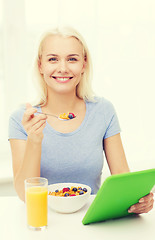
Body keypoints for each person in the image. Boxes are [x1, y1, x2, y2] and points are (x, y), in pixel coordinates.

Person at [9, 26, 154, 214]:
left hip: (94, 218)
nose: (62, 68)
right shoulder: (21, 119)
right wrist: (34, 139)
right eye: (53, 59)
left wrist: (138, 200)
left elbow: (122, 178)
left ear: (84, 65)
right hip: (43, 221)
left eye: (72, 59)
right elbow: (24, 194)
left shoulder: (103, 110)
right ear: (40, 66)